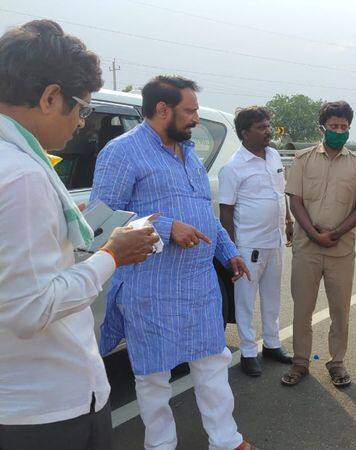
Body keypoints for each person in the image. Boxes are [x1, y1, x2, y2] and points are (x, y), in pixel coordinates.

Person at [0, 20, 158, 450]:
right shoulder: (20, 177)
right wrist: (112, 253)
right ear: (51, 97)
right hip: (45, 409)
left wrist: (58, 220)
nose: (84, 122)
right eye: (82, 108)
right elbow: (31, 308)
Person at [91, 76, 257, 450]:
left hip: (198, 285)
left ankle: (225, 439)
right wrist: (166, 227)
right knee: (154, 377)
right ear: (162, 110)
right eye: (190, 111)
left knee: (213, 360)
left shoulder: (190, 153)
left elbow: (204, 215)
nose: (195, 118)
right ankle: (161, 446)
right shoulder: (123, 152)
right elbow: (103, 219)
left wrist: (228, 251)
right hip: (151, 285)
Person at [281, 101, 356, 387]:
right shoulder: (302, 160)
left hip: (340, 250)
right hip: (307, 248)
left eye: (344, 127)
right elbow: (295, 201)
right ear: (322, 128)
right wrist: (313, 233)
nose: (339, 131)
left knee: (340, 310)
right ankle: (300, 362)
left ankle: (337, 363)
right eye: (334, 127)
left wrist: (334, 234)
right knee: (303, 308)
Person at [219, 106, 293, 377]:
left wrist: (288, 221)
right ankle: (249, 351)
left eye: (267, 126)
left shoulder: (273, 155)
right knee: (245, 301)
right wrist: (231, 251)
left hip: (275, 240)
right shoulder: (233, 168)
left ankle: (272, 344)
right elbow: (225, 211)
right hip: (248, 246)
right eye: (261, 127)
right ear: (244, 133)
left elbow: (279, 192)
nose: (268, 131)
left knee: (273, 297)